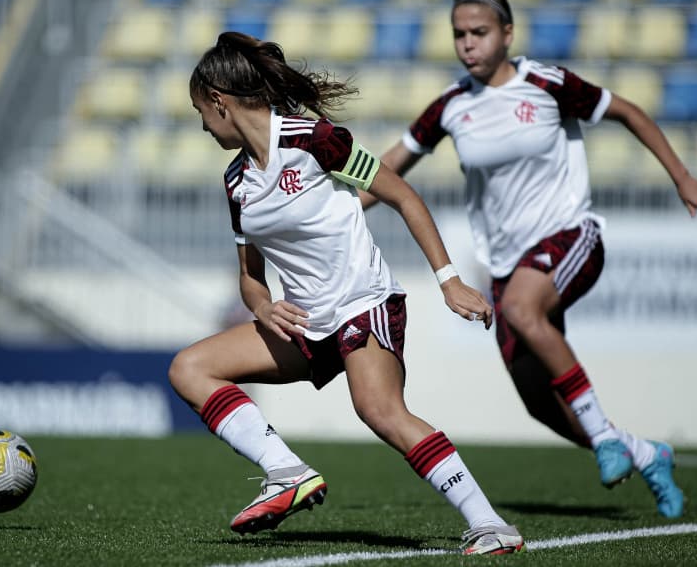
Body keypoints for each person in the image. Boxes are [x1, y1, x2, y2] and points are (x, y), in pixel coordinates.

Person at [363, 0, 697, 519]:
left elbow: (626, 110)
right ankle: (647, 451)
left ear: (507, 34)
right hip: (507, 264)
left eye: (479, 33)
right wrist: (340, 208)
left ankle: (604, 439)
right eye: (459, 34)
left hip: (569, 236)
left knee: (525, 310)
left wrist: (681, 176)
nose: (468, 44)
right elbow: (391, 167)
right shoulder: (452, 106)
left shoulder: (547, 83)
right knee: (540, 404)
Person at [167, 31, 525, 555]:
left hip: (364, 302)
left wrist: (449, 281)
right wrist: (264, 306)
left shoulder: (313, 138)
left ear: (219, 101)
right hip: (306, 322)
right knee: (188, 368)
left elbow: (402, 195)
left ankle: (491, 525)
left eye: (201, 110)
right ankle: (286, 472)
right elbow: (249, 274)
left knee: (378, 410)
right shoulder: (236, 181)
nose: (201, 124)